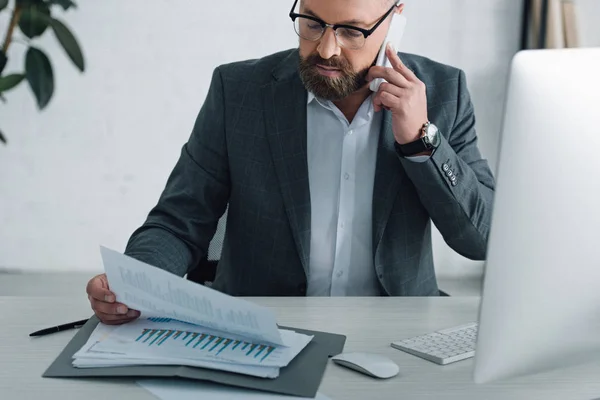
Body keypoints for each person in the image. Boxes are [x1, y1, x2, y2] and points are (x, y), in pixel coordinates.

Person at [86, 0, 495, 325]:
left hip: (396, 330)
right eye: (313, 23)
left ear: (395, 20)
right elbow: (179, 221)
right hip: (261, 329)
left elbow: (481, 240)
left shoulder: (443, 92)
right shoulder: (239, 92)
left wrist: (423, 141)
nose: (327, 49)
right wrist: (134, 283)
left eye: (352, 31)